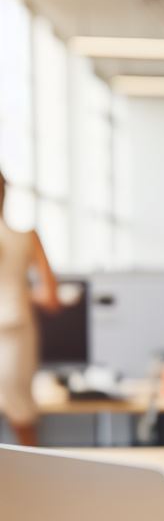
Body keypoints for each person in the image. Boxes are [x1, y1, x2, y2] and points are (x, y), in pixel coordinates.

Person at [0, 169, 60, 446]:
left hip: (13, 330)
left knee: (20, 413)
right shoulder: (26, 237)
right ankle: (28, 486)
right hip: (15, 330)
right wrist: (23, 294)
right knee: (22, 419)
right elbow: (51, 299)